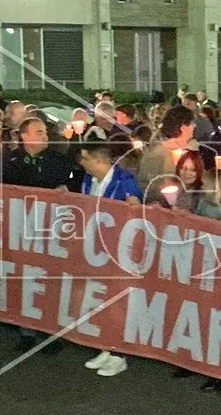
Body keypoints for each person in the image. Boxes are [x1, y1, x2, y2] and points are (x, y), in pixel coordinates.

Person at [77, 140, 143, 377]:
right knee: (102, 299)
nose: (81, 163)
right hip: (96, 248)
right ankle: (106, 346)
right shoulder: (88, 180)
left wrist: (135, 204)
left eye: (84, 158)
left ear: (98, 160)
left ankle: (119, 354)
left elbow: (136, 207)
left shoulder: (125, 182)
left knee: (118, 303)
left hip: (118, 252)